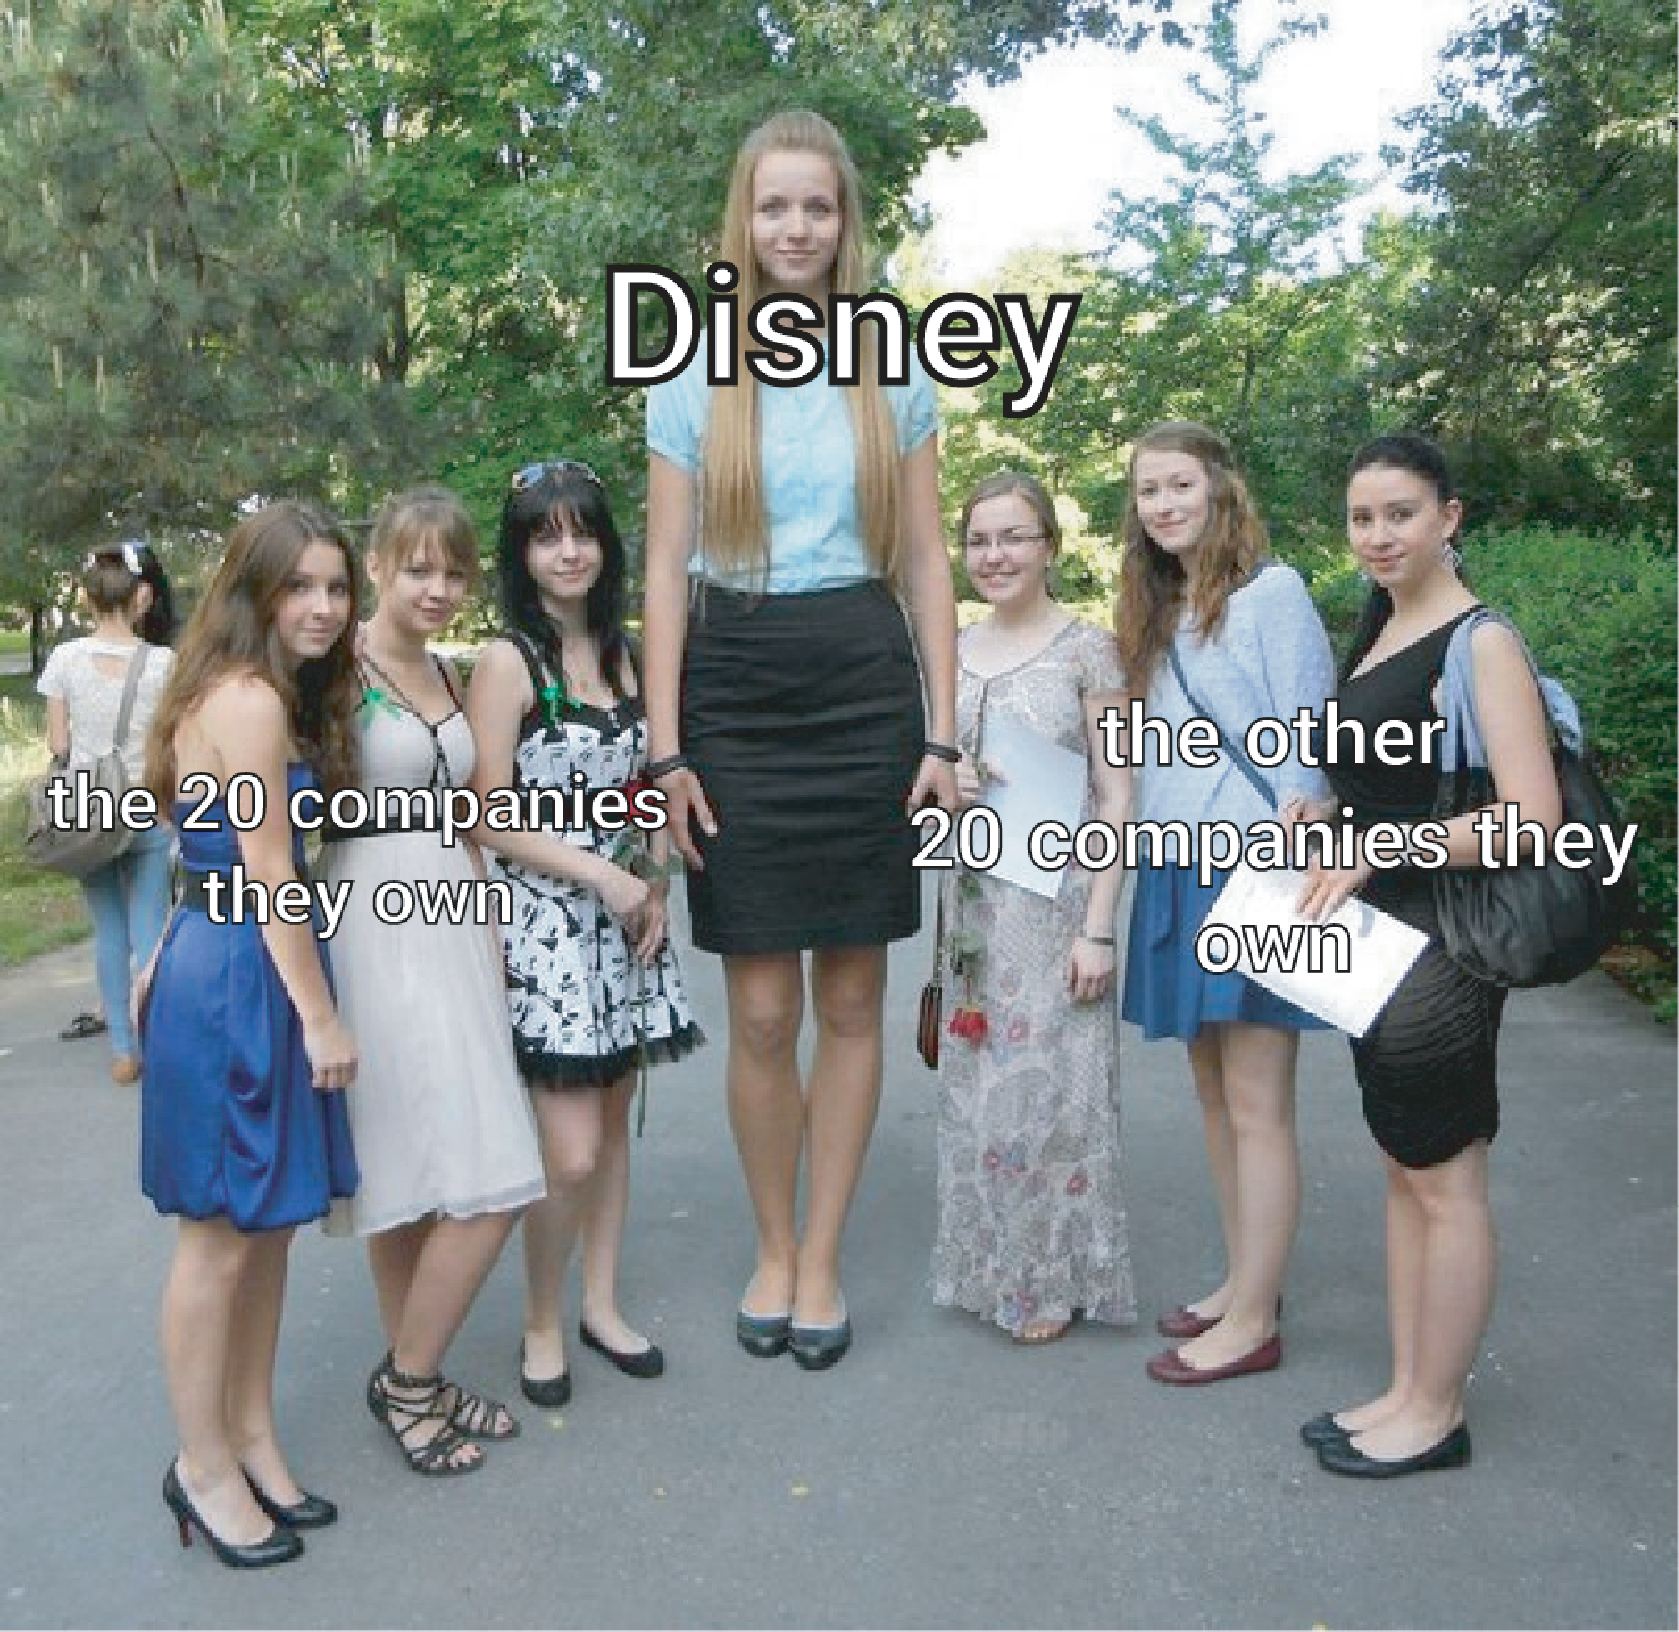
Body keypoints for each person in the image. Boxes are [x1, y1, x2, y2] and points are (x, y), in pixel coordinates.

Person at [642, 109, 957, 1370]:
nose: (794, 228)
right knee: (761, 1011)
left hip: (863, 680)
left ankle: (820, 1259)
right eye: (774, 206)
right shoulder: (687, 371)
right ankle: (770, 1244)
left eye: (815, 207)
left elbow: (930, 560)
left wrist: (942, 729)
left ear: (844, 222)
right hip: (733, 683)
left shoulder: (897, 365)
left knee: (853, 996)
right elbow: (663, 571)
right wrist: (665, 750)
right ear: (744, 218)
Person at [1294, 434, 1557, 1476]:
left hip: (1443, 946)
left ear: (1449, 517)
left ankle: (1435, 1413)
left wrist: (1374, 847)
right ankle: (1405, 1387)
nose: (1375, 535)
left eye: (1397, 513)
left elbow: (1529, 819)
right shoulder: (1381, 627)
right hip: (1375, 944)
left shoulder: (1478, 640)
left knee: (1444, 1181)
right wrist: (1322, 808)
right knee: (1405, 1168)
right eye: (1360, 518)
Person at [139, 501, 361, 1567]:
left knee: (265, 1223)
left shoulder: (253, 692)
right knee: (218, 1237)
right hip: (240, 970)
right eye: (299, 586)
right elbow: (268, 874)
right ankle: (201, 1465)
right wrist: (322, 1017)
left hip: (231, 955)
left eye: (335, 586)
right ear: (253, 590)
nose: (320, 606)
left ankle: (253, 1436)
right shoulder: (249, 703)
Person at [319, 486, 546, 1475]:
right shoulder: (329, 673)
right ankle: (410, 1383)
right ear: (377, 565)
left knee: (447, 1155)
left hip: (452, 917)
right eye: (418, 568)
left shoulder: (450, 674)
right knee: (439, 1166)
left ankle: (414, 1369)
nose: (438, 587)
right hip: (369, 917)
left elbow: (468, 818)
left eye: (454, 571)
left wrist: (490, 925)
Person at [466, 459, 702, 1410]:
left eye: (582, 533)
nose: (567, 551)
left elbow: (650, 783)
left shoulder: (629, 653)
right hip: (547, 925)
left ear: (605, 544)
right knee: (565, 1150)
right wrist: (598, 872)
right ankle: (539, 1319)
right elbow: (484, 814)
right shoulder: (503, 660)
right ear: (521, 553)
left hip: (626, 918)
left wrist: (650, 875)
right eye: (543, 534)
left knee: (611, 1130)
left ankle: (601, 1305)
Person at [1113, 421, 1335, 1386]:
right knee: (1211, 1094)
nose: (1163, 505)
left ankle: (1252, 1322)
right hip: (1174, 865)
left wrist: (1310, 811)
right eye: (1148, 491)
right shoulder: (1158, 608)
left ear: (1218, 489)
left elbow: (1310, 732)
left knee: (1257, 1104)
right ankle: (1246, 1278)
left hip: (1252, 868)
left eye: (1179, 486)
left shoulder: (1271, 594)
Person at [931, 471, 1135, 1344]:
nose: (995, 555)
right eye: (979, 540)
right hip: (974, 915)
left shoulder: (1092, 649)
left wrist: (1098, 927)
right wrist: (950, 783)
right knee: (977, 1097)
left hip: (1056, 912)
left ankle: (1051, 1275)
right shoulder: (946, 649)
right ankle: (987, 1270)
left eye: (1013, 536)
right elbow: (925, 782)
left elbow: (1121, 791)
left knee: (1058, 1097)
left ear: (1049, 544)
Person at [38, 542, 176, 1082]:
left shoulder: (65, 658)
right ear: (142, 599)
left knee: (109, 933)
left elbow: (57, 741)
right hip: (147, 808)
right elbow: (172, 743)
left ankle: (123, 1050)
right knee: (151, 930)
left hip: (86, 812)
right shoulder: (165, 663)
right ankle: (160, 1039)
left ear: (88, 600)